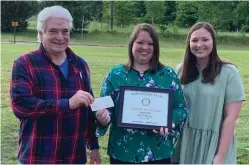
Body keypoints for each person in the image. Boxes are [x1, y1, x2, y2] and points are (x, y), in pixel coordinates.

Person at [9, 6, 101, 164]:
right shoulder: (25, 63)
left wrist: (93, 145)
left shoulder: (80, 64)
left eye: (65, 31)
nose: (60, 37)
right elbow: (21, 106)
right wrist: (67, 104)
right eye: (53, 31)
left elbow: (88, 108)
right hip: (37, 157)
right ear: (40, 33)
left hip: (74, 157)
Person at [95, 23, 188, 164]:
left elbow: (181, 108)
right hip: (122, 151)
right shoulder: (115, 74)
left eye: (150, 43)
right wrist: (103, 117)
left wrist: (170, 122)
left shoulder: (168, 75)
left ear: (155, 47)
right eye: (140, 42)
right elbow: (105, 107)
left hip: (158, 151)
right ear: (132, 44)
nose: (145, 47)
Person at [175, 22, 245, 164]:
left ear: (213, 41)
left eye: (205, 39)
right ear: (188, 43)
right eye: (194, 40)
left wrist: (220, 156)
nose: (199, 44)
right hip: (185, 143)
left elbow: (231, 118)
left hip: (214, 144)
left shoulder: (229, 72)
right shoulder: (181, 70)